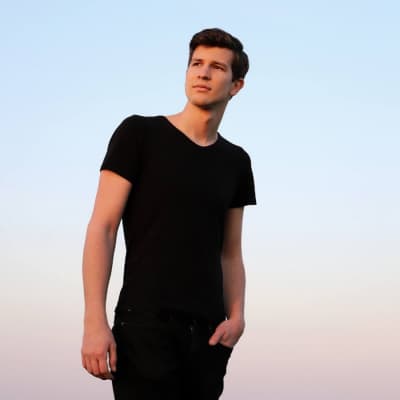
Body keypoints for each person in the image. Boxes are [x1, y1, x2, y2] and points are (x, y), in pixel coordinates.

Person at [81, 27, 256, 400]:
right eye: (196, 63)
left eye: (216, 67)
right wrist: (94, 321)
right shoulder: (139, 134)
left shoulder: (236, 162)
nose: (203, 73)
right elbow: (103, 228)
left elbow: (230, 251)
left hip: (208, 337)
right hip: (144, 327)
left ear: (236, 85)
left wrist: (237, 317)